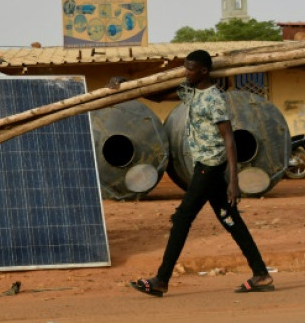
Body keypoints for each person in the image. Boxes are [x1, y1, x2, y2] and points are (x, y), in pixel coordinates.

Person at [110, 50, 274, 296]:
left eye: (189, 69)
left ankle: (161, 279)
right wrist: (126, 83)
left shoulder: (214, 99)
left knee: (182, 218)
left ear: (204, 71)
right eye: (185, 68)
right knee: (230, 218)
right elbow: (156, 96)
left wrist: (234, 181)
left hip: (210, 165)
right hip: (202, 165)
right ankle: (261, 274)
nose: (185, 72)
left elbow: (229, 138)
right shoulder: (190, 91)